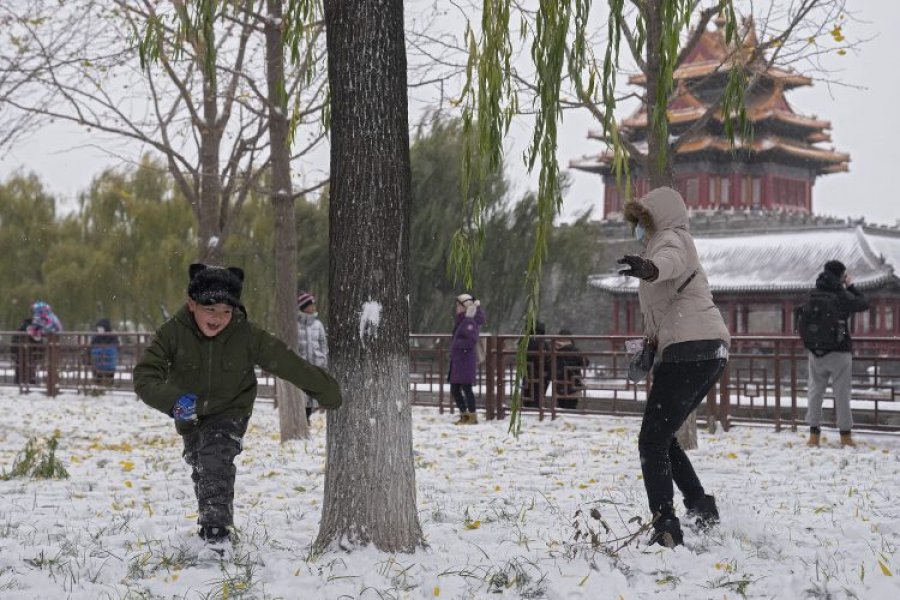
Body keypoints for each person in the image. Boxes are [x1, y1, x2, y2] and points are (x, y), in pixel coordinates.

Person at [133, 264, 342, 550]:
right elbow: (145, 375)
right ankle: (211, 515)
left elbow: (287, 362)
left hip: (231, 408)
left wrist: (327, 392)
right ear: (191, 304)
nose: (219, 318)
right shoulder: (172, 333)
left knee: (215, 458)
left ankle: (216, 534)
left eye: (226, 311)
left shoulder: (246, 335)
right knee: (200, 464)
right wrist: (172, 401)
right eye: (211, 309)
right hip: (188, 411)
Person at [617, 186, 730, 548]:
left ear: (656, 217)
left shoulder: (670, 238)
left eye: (642, 220)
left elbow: (670, 262)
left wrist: (649, 269)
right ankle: (701, 507)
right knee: (662, 437)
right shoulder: (669, 238)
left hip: (689, 349)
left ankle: (666, 525)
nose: (639, 228)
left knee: (651, 440)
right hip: (708, 349)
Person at [802, 260, 869, 448]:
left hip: (816, 351)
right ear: (841, 275)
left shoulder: (813, 294)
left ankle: (814, 435)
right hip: (840, 352)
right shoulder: (841, 295)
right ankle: (845, 436)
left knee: (815, 392)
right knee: (841, 393)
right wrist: (851, 286)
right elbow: (864, 303)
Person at [448, 293, 486, 424]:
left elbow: (470, 340)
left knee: (466, 388)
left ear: (466, 307)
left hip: (465, 359)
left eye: (458, 305)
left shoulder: (470, 321)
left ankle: (471, 417)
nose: (456, 308)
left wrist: (456, 345)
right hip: (459, 359)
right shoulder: (462, 320)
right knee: (455, 388)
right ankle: (465, 415)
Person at [296, 291, 329, 420]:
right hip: (302, 365)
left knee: (314, 392)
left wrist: (323, 359)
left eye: (313, 305)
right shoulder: (297, 325)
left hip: (316, 364)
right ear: (304, 307)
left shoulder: (318, 324)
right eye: (310, 305)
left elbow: (323, 343)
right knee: (304, 393)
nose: (313, 307)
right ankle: (305, 418)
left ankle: (310, 416)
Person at [553, 329, 589, 410]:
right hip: (573, 384)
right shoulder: (575, 350)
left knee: (561, 406)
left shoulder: (554, 350)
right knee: (571, 407)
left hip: (559, 384)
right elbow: (585, 363)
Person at [521, 321, 550, 408]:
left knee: (528, 394)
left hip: (528, 371)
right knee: (538, 396)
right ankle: (537, 410)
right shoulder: (542, 342)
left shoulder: (524, 340)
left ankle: (528, 408)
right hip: (541, 373)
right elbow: (547, 358)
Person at [89, 317, 119, 387]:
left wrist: (102, 350)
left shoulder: (112, 336)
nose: (99, 330)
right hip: (98, 362)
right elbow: (91, 347)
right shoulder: (96, 336)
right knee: (97, 374)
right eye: (98, 328)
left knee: (109, 373)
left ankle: (109, 385)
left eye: (101, 328)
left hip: (108, 362)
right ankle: (98, 385)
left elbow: (115, 348)